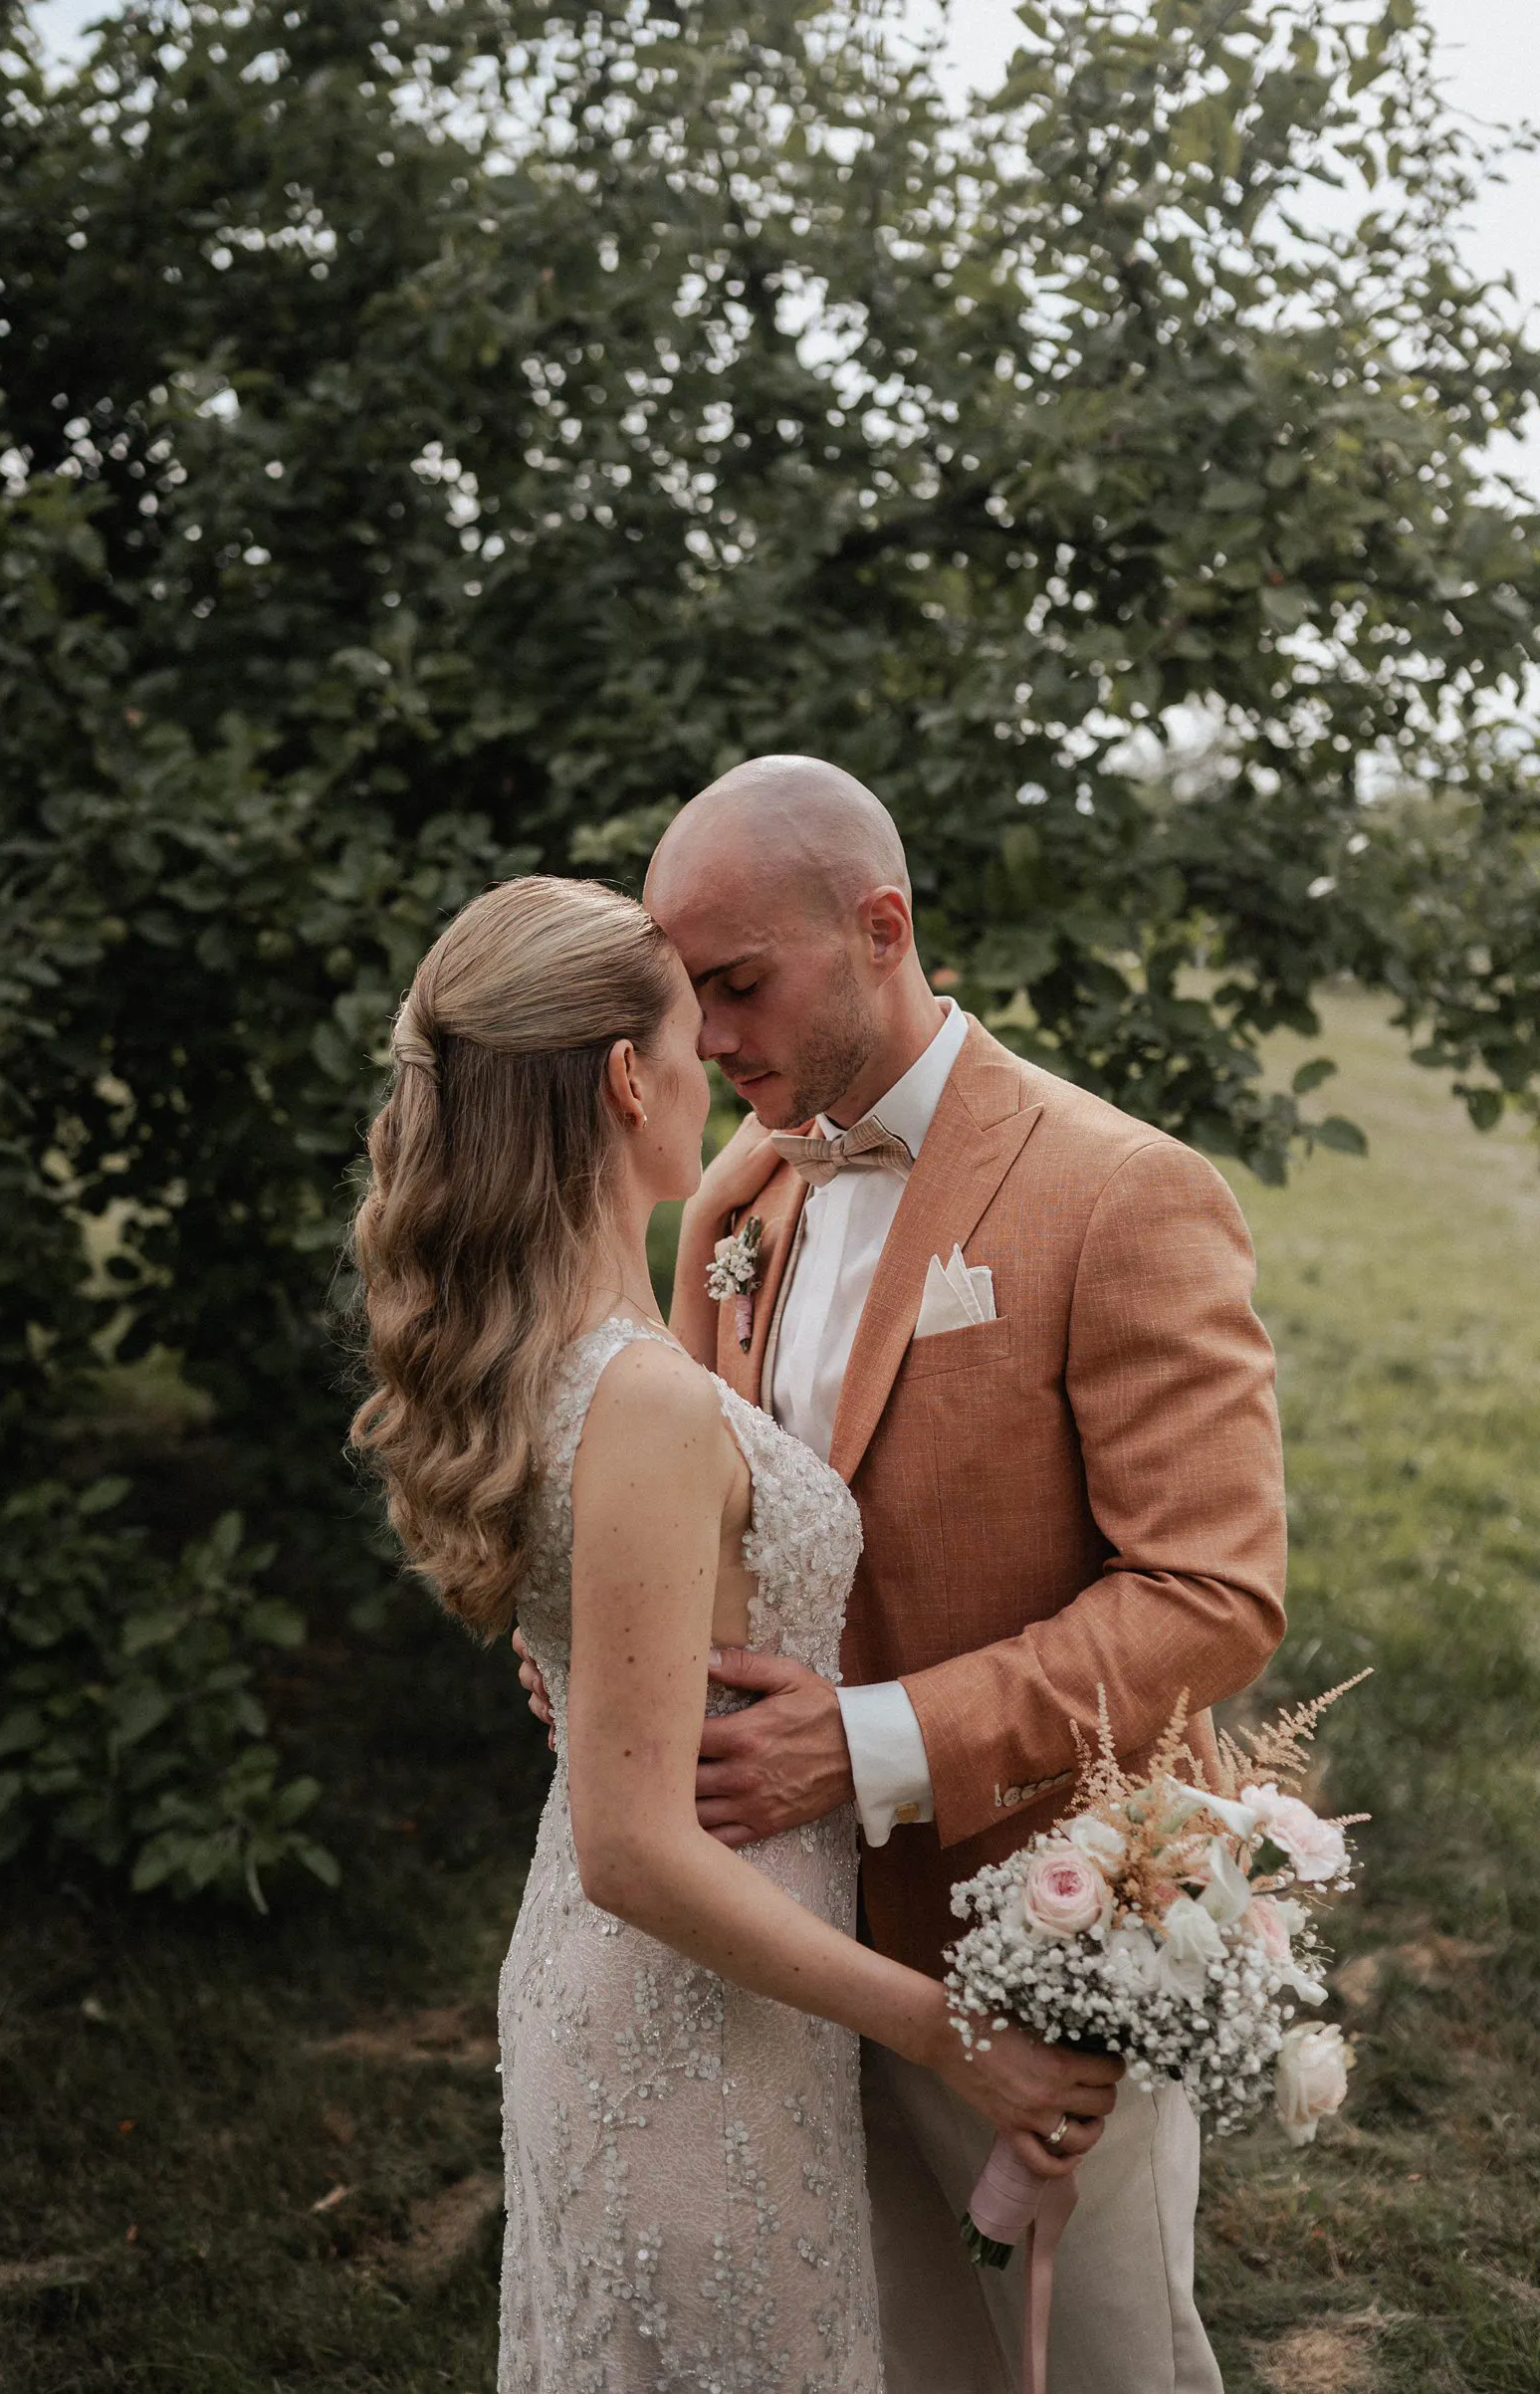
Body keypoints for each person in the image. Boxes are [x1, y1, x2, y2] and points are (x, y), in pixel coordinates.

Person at [520, 759, 1288, 2393]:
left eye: (739, 983)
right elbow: (698, 1516)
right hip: (773, 1952)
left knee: (1091, 2363)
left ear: (882, 928)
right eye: (689, 996)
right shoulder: (734, 1191)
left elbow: (1212, 1594)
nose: (709, 1041)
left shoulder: (1124, 1194)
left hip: (1034, 1933)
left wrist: (865, 1744)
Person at [350, 872, 1118, 2394]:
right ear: (631, 1078)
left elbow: (629, 1612)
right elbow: (630, 1852)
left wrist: (583, 1656)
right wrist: (953, 2030)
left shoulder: (567, 1342)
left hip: (700, 1991)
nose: (719, 1054)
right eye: (687, 1026)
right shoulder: (631, 1392)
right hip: (686, 2018)